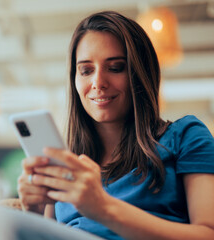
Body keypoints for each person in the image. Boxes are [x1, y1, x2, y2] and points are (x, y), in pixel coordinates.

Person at [16, 11, 214, 240]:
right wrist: (33, 212)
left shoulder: (186, 136)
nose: (98, 82)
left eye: (116, 67)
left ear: (140, 74)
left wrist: (103, 208)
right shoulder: (68, 165)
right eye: (86, 70)